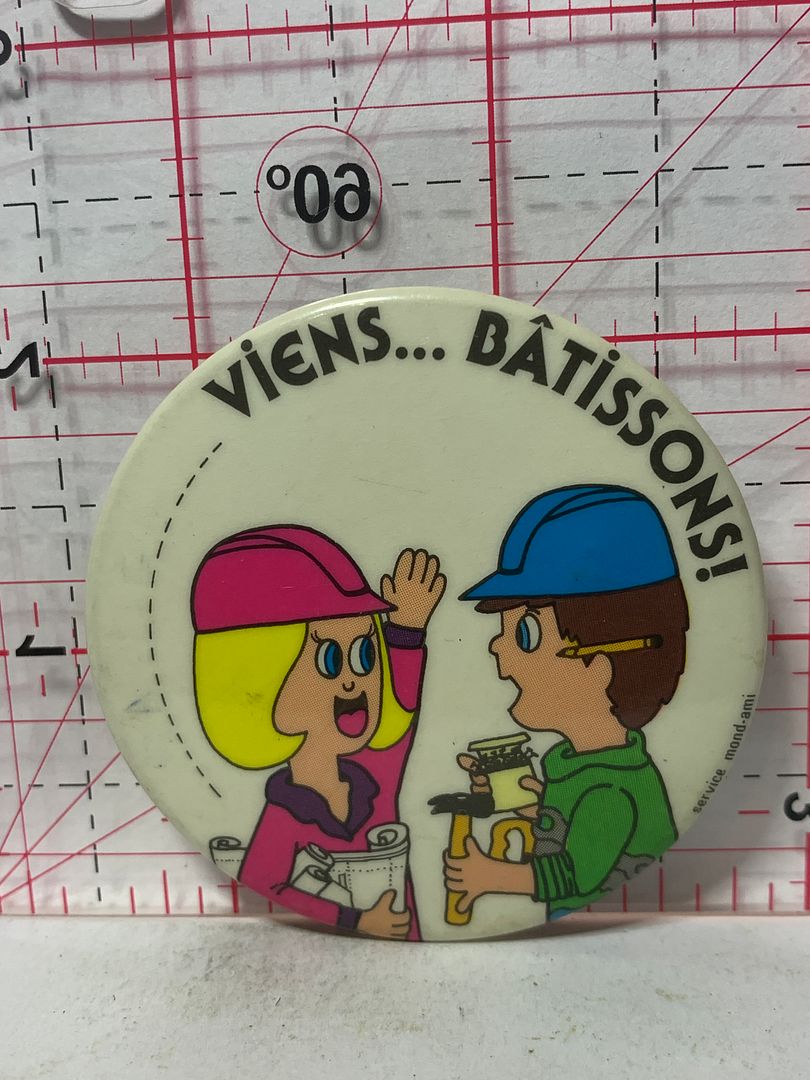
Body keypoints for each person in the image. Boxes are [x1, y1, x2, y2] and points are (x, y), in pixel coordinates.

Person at [443, 485, 688, 920]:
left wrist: (489, 876)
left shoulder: (609, 789)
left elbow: (577, 875)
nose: (497, 646)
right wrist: (532, 806)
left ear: (600, 665)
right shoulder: (581, 765)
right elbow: (573, 828)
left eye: (526, 634)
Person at [192, 526, 445, 939]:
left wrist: (406, 631)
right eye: (329, 659)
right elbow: (266, 881)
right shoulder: (283, 814)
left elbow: (403, 713)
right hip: (350, 950)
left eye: (365, 654)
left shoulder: (374, 776)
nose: (351, 680)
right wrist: (355, 920)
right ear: (263, 680)